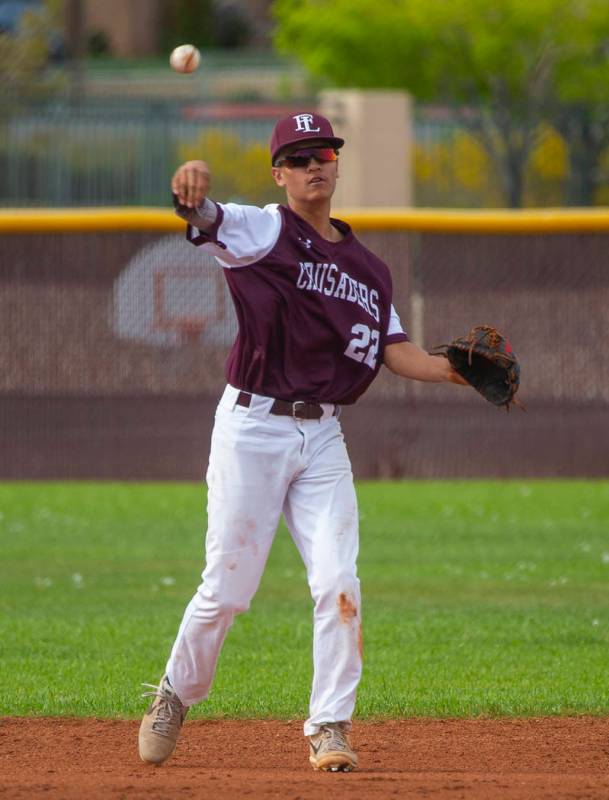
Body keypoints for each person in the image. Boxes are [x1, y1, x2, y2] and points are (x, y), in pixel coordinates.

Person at [138, 111, 466, 773]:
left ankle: (329, 725)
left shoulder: (368, 269)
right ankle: (176, 692)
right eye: (299, 156)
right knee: (227, 591)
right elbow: (205, 222)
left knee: (338, 579)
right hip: (252, 427)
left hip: (322, 436)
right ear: (278, 173)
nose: (314, 164)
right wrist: (190, 196)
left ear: (337, 165)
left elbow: (394, 350)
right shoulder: (265, 228)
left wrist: (455, 370)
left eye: (323, 153)